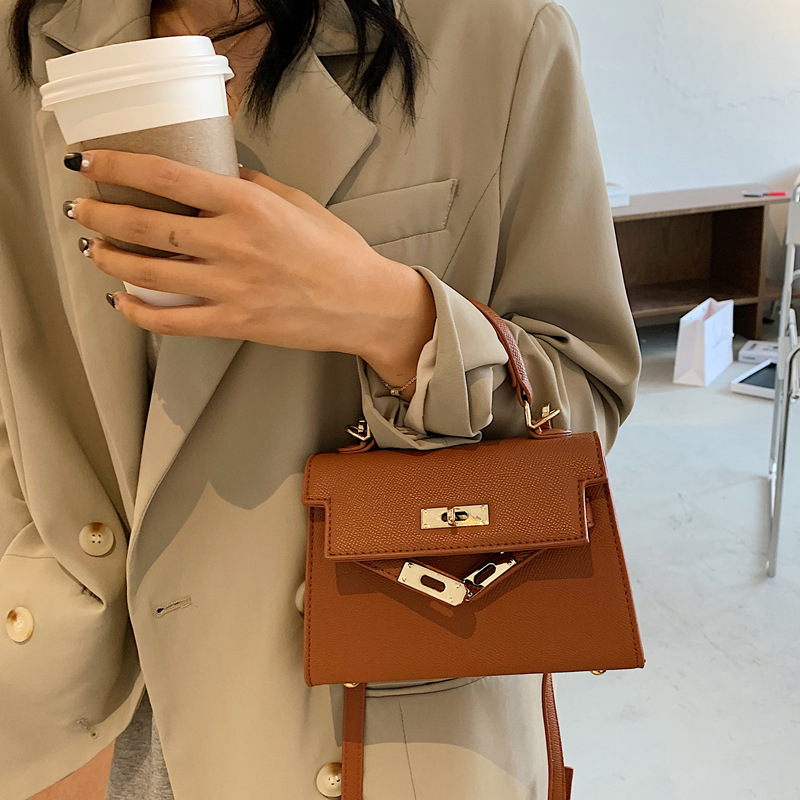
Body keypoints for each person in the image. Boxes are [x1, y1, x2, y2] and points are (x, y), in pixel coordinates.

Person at [0, 0, 641, 797]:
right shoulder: (23, 37)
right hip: (72, 707)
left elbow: (582, 411)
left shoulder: (496, 37)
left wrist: (391, 318)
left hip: (363, 702)